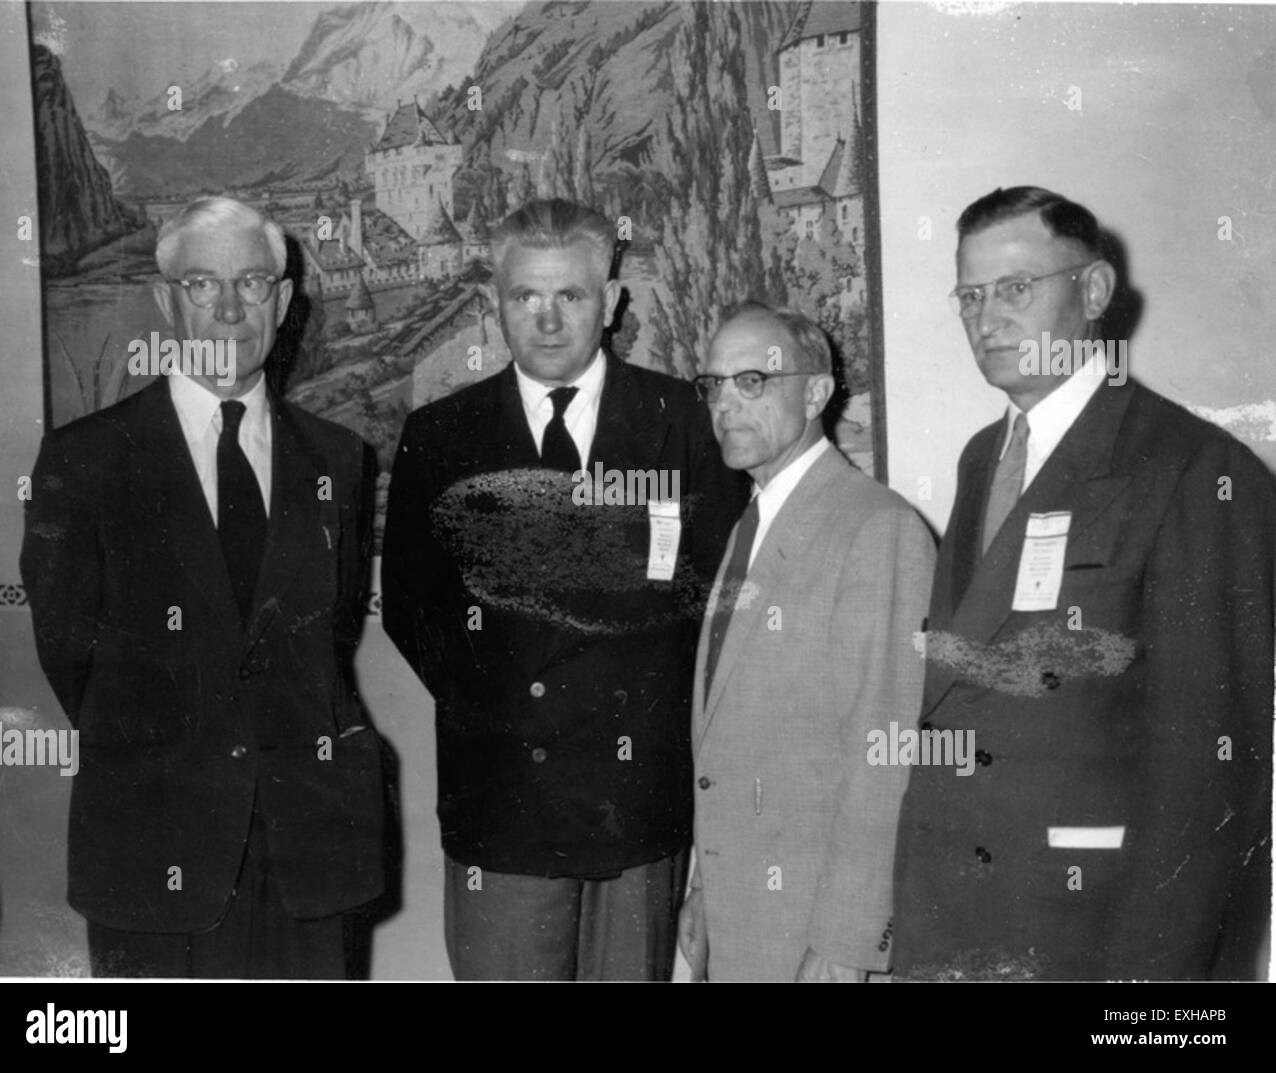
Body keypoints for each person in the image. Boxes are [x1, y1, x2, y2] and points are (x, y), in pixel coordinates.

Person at [893, 185, 1275, 981]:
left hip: (1088, 936)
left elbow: (1206, 778)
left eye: (1017, 288)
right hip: (953, 919)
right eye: (970, 294)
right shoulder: (980, 459)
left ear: (1094, 290)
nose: (986, 317)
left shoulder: (1195, 469)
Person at [20, 196, 385, 978]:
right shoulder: (86, 463)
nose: (228, 308)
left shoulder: (339, 461)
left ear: (282, 303)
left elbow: (329, 639)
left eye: (252, 283)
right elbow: (69, 654)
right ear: (165, 300)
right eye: (201, 285)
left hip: (307, 853)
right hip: (155, 848)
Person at [381, 198, 743, 981]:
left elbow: (714, 604)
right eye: (526, 297)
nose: (547, 320)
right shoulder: (442, 437)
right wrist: (505, 700)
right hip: (504, 803)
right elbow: (412, 608)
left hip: (637, 799)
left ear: (610, 302)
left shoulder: (680, 420)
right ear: (494, 303)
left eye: (571, 296)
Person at [678, 302, 935, 982]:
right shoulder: (750, 523)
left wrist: (847, 945)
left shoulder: (876, 528)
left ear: (816, 392)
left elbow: (886, 755)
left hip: (812, 927)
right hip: (744, 915)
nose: (726, 404)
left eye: (752, 381)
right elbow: (729, 736)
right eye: (714, 385)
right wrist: (706, 886)